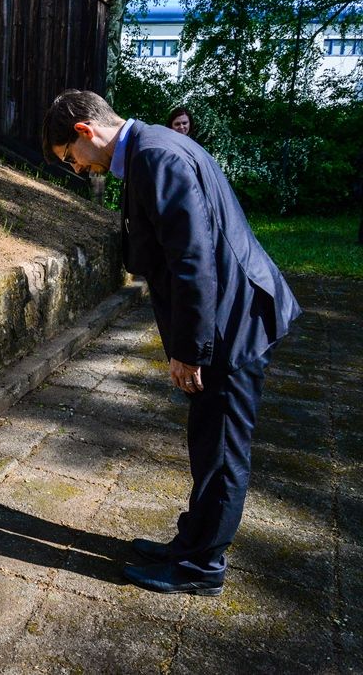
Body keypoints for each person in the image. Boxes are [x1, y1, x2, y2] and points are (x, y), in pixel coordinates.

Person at [42, 90, 301, 596]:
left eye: (70, 158)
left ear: (84, 132)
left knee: (221, 451)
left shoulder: (156, 156)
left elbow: (192, 259)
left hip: (231, 325)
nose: (78, 169)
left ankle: (201, 567)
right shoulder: (153, 147)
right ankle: (191, 543)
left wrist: (189, 350)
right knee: (208, 443)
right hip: (227, 316)